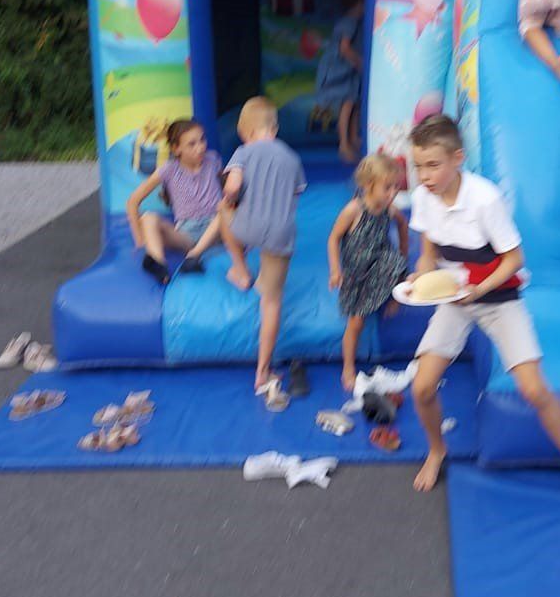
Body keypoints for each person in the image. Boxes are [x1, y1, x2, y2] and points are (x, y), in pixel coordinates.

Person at [404, 114, 560, 517]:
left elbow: (515, 259)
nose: (424, 176)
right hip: (455, 298)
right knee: (422, 388)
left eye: (433, 165)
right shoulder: (425, 197)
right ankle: (437, 449)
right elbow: (428, 253)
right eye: (418, 166)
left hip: (498, 298)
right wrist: (421, 279)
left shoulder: (485, 199)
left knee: (534, 390)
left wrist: (479, 290)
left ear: (457, 158)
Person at [219, 97, 307, 392]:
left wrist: (232, 200)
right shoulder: (291, 157)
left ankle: (241, 269)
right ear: (275, 128)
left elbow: (232, 187)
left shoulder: (243, 152)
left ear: (245, 132)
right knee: (271, 300)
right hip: (280, 233)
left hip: (247, 227)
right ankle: (263, 371)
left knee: (221, 210)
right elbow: (296, 194)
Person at [327, 152, 410, 392]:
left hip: (380, 261)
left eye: (396, 187)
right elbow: (333, 239)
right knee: (356, 323)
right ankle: (348, 368)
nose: (392, 193)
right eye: (387, 188)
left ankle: (394, 298)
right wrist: (335, 270)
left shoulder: (389, 209)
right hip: (357, 273)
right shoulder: (354, 210)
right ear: (368, 185)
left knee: (398, 265)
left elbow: (402, 224)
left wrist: (403, 253)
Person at [124, 118, 224, 284]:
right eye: (192, 144)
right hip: (187, 234)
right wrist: (139, 241)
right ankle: (158, 263)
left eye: (202, 140)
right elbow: (133, 201)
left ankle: (194, 256)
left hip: (216, 229)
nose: (200, 147)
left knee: (225, 209)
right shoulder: (169, 169)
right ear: (176, 149)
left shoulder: (213, 159)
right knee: (148, 218)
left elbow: (225, 185)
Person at [314, 0, 364, 162]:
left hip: (348, 69)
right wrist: (360, 62)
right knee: (348, 103)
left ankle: (354, 138)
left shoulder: (353, 21)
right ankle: (344, 144)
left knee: (354, 102)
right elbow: (344, 48)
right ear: (359, 3)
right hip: (342, 68)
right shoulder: (349, 22)